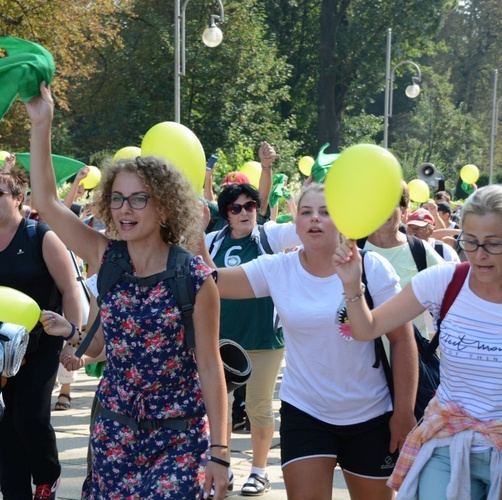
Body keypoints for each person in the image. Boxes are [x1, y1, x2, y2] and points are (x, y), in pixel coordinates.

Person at [28, 82, 229, 498]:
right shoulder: (109, 259)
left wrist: (220, 453)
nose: (125, 209)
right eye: (117, 199)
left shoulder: (193, 277)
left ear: (165, 205)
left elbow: (211, 368)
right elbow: (46, 202)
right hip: (114, 436)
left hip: (180, 440)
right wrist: (42, 122)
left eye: (139, 199)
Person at [211, 183, 418, 499]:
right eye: (306, 213)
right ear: (295, 222)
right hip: (305, 411)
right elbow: (212, 283)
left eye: (326, 212)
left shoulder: (371, 268)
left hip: (371, 414)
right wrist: (192, 235)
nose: (314, 220)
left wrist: (403, 412)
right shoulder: (278, 268)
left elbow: (403, 341)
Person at [332, 184, 502, 499]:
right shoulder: (445, 281)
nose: (479, 255)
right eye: (471, 242)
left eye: (493, 244)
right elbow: (368, 328)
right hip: (447, 445)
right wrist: (352, 283)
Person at [0, 165, 81, 499]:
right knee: (4, 423)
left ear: (19, 198)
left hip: (41, 345)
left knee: (30, 416)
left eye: (0, 193)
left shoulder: (40, 235)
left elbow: (69, 289)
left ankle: (47, 475)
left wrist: (74, 339)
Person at [205, 182, 301, 496]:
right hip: (221, 340)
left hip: (264, 339)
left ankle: (259, 472)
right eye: (236, 207)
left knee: (259, 407)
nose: (245, 212)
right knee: (220, 406)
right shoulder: (212, 241)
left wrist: (297, 201)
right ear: (226, 215)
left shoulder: (271, 235)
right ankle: (224, 468)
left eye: (250, 206)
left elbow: (303, 228)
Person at [361, 183, 445, 338]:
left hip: (411, 357)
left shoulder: (419, 250)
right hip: (364, 357)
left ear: (404, 210)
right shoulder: (353, 249)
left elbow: (454, 287)